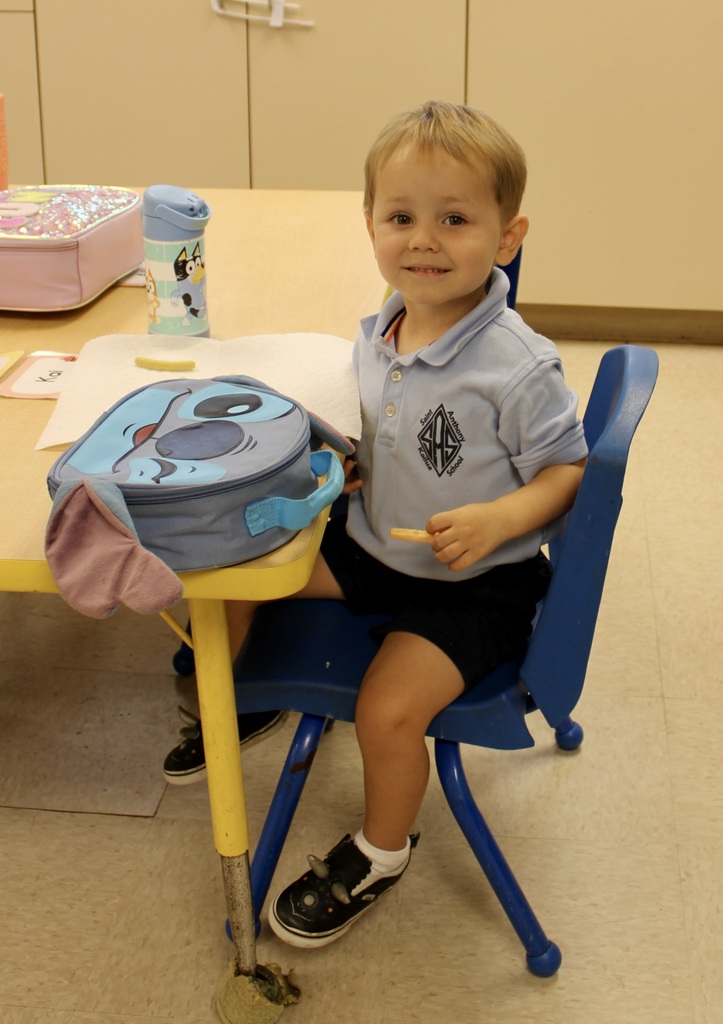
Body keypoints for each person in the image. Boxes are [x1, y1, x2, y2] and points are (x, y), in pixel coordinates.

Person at [166, 99, 589, 947]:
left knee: (385, 714)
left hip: (477, 586)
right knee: (233, 565)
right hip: (374, 544)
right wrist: (353, 461)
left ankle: (381, 850)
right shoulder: (384, 323)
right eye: (401, 217)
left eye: (455, 219)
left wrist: (503, 514)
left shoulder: (517, 365)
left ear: (507, 237)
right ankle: (235, 695)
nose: (423, 239)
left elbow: (566, 470)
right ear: (369, 225)